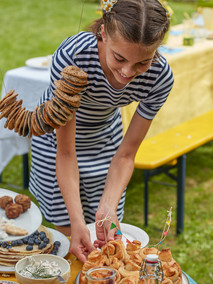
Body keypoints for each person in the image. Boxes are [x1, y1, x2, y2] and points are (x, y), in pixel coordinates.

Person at [29, 0, 173, 263]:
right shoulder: (73, 57)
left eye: (143, 63)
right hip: (58, 141)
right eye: (119, 57)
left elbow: (127, 155)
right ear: (103, 33)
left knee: (107, 231)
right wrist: (76, 222)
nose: (127, 73)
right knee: (69, 232)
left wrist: (108, 204)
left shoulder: (160, 78)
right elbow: (66, 153)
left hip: (106, 138)